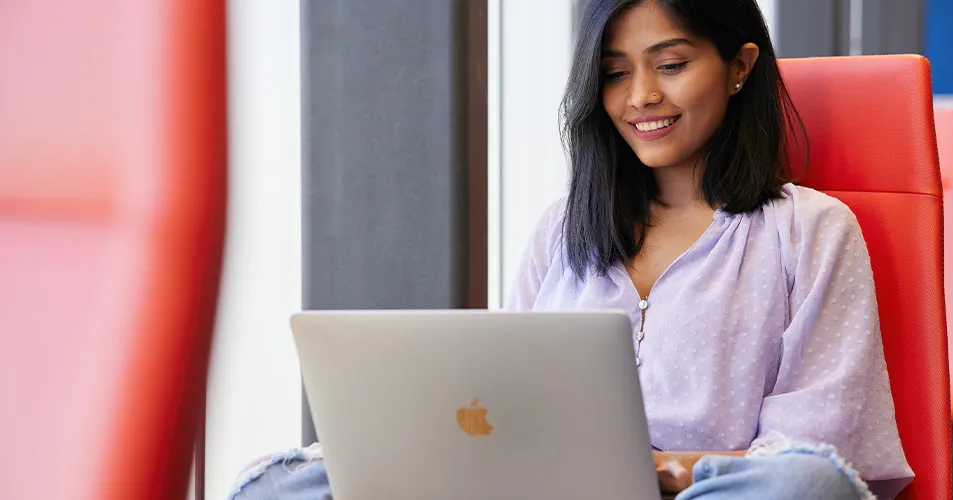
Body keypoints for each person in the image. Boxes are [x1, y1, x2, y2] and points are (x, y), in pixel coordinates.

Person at [228, 1, 914, 499]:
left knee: (805, 484)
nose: (642, 96)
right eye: (614, 74)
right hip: (542, 486)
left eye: (670, 64)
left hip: (701, 494)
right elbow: (498, 399)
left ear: (738, 67)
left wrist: (664, 468)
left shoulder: (811, 229)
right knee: (285, 483)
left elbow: (816, 453)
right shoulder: (563, 229)